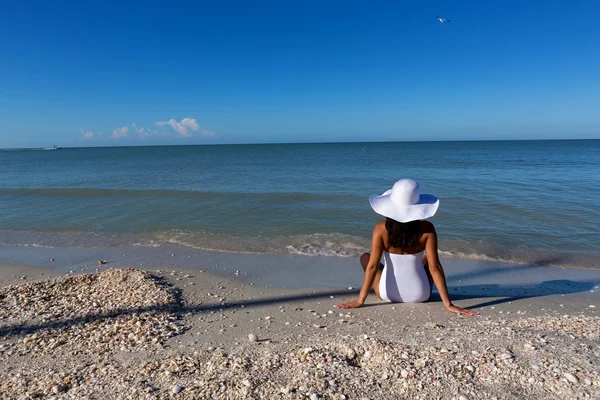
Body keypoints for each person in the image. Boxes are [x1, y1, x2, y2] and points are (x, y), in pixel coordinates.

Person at [336, 179, 478, 316]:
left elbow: (373, 266)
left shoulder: (381, 229)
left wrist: (360, 300)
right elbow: (436, 268)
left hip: (386, 293)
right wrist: (449, 305)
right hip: (421, 294)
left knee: (366, 258)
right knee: (428, 260)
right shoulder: (427, 229)